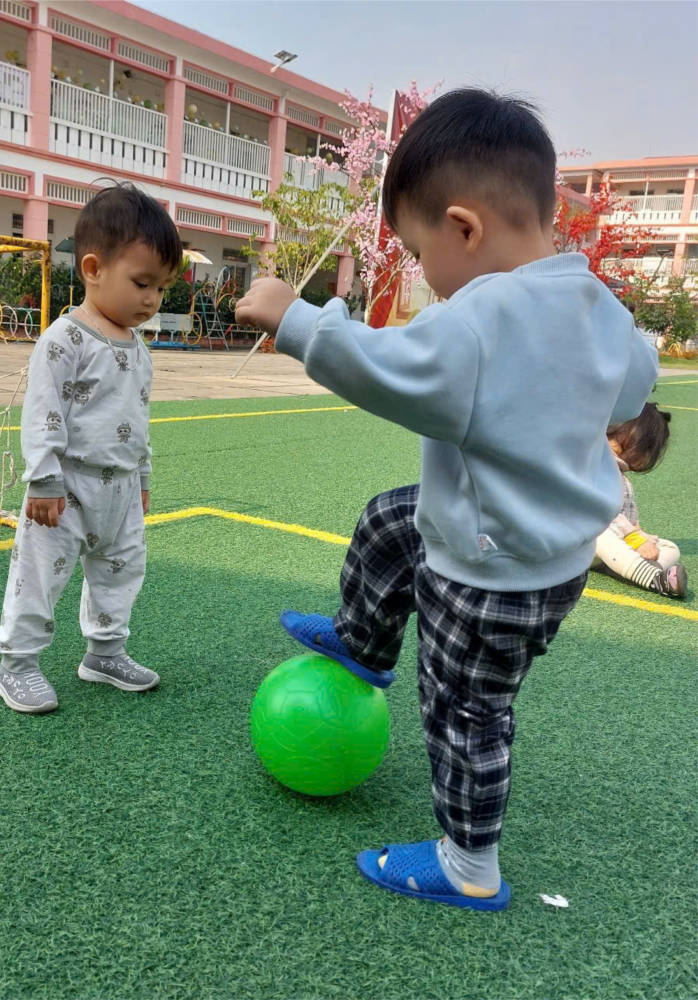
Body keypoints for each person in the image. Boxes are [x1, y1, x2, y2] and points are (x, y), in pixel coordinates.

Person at [235, 88, 660, 911]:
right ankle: (363, 639)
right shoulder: (600, 307)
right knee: (393, 520)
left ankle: (470, 864)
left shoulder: (479, 317)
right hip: (551, 554)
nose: (421, 274)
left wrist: (293, 319)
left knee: (466, 712)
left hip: (490, 573)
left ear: (464, 228)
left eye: (417, 251)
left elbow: (387, 369)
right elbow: (632, 388)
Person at [0, 183, 182, 714]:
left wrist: (142, 478)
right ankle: (16, 665)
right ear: (93, 268)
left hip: (120, 490)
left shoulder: (139, 348)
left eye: (162, 288)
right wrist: (43, 478)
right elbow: (43, 412)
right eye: (142, 282)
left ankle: (105, 653)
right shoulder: (64, 339)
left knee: (120, 573)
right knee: (39, 577)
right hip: (66, 487)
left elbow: (136, 419)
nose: (152, 299)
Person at [594, 403, 687, 598]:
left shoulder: (623, 480)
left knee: (671, 549)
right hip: (581, 545)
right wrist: (633, 539)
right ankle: (654, 579)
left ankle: (628, 567)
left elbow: (629, 517)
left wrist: (640, 534)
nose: (639, 457)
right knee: (601, 536)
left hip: (614, 545)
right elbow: (599, 513)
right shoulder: (594, 466)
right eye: (636, 447)